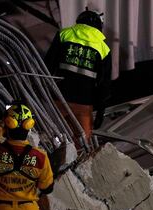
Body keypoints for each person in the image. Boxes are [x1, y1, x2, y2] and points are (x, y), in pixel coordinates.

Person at [45, 8, 111, 141]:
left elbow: (47, 66)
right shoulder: (103, 48)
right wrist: (100, 111)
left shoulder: (64, 35)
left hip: (59, 98)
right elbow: (104, 85)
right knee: (82, 144)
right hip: (84, 104)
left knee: (52, 138)